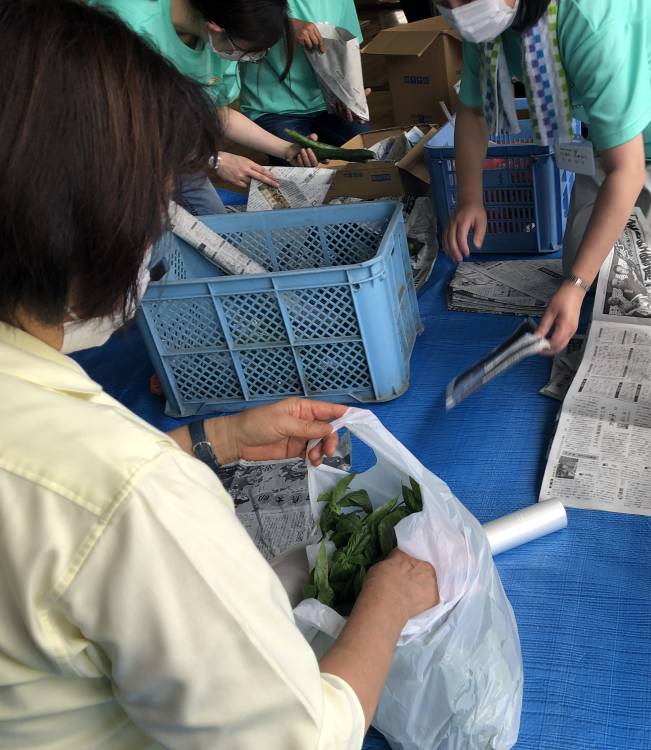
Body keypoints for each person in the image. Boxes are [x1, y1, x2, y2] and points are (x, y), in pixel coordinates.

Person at [0, 2, 439, 746]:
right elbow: (305, 737)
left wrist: (214, 438)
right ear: (95, 221)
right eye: (153, 201)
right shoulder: (132, 495)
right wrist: (391, 600)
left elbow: (46, 512)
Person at [439, 0, 651, 353]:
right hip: (614, 139)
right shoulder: (490, 19)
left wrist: (574, 284)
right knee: (589, 279)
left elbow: (626, 171)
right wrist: (469, 199)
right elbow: (473, 111)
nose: (458, 9)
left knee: (636, 298)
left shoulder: (590, 17)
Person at [91, 0, 323, 213]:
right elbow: (122, 125)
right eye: (245, 51)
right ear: (216, 27)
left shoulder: (219, 44)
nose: (244, 58)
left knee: (215, 223)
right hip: (106, 147)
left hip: (173, 151)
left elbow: (217, 114)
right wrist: (214, 160)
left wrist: (286, 149)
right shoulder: (131, 25)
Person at [240, 0, 373, 157]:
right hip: (272, 110)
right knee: (305, 167)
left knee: (371, 154)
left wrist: (349, 94)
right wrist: (284, 24)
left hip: (329, 105)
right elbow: (234, 18)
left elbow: (349, 49)